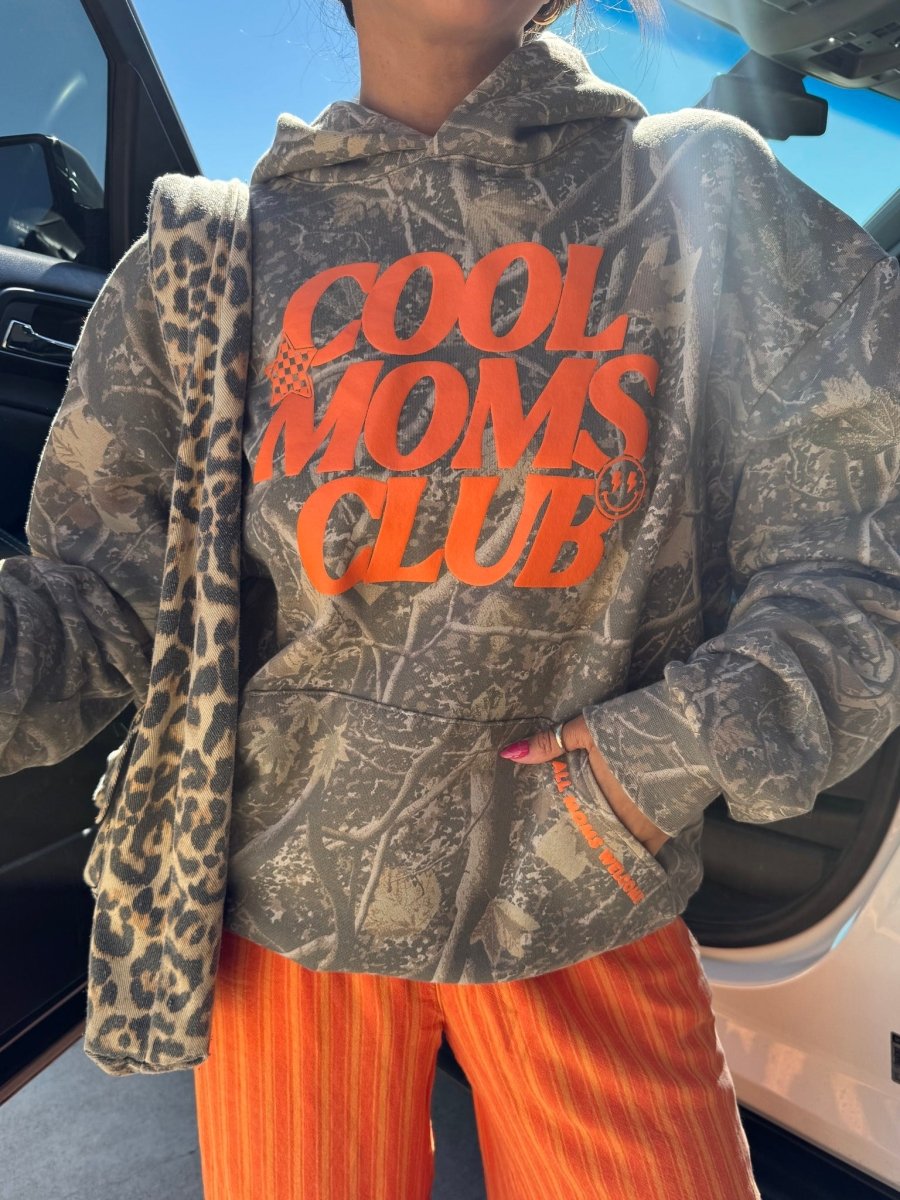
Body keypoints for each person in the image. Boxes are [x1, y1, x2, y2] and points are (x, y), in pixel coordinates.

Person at [2, 0, 899, 1196]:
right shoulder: (205, 258)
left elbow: (864, 539)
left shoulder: (695, 194)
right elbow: (104, 603)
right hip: (287, 925)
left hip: (587, 901)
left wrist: (661, 760)